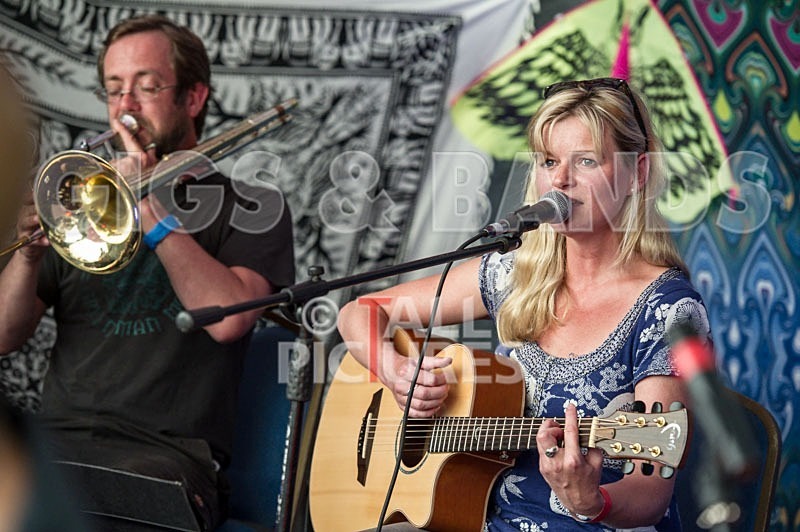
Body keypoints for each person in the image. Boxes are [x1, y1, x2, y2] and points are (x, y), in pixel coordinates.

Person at [338, 77, 710, 530]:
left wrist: (591, 501)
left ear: (639, 174)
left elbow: (650, 492)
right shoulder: (514, 273)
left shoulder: (668, 310)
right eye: (548, 160)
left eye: (586, 161)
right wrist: (396, 373)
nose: (559, 180)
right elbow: (359, 311)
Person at [0, 15, 295, 532]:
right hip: (57, 446)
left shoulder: (253, 206)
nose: (126, 106)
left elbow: (227, 319)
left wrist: (149, 209)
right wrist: (26, 255)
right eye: (114, 90)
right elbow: (3, 336)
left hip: (167, 462)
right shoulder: (79, 206)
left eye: (147, 85)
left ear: (194, 97)